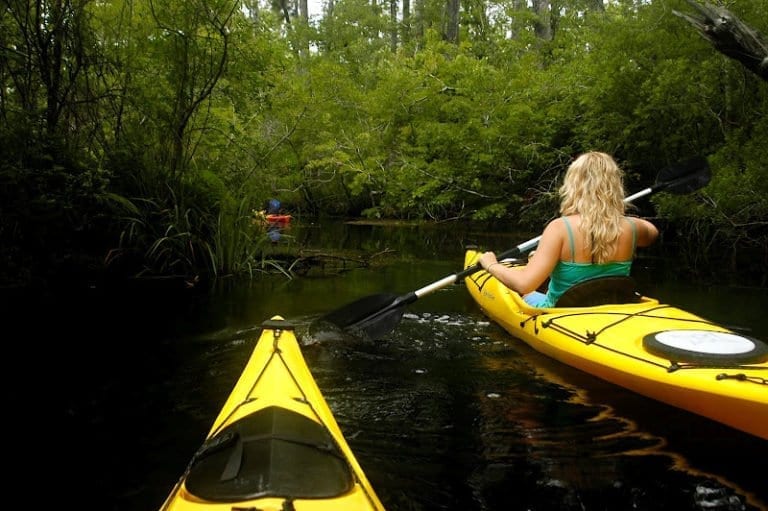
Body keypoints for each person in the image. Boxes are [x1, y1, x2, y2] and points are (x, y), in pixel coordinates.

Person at [478, 151, 659, 308]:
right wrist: (619, 216)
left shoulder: (559, 228)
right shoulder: (633, 227)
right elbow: (652, 233)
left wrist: (491, 264)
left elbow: (524, 284)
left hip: (561, 313)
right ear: (615, 186)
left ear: (574, 186)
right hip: (611, 309)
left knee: (525, 294)